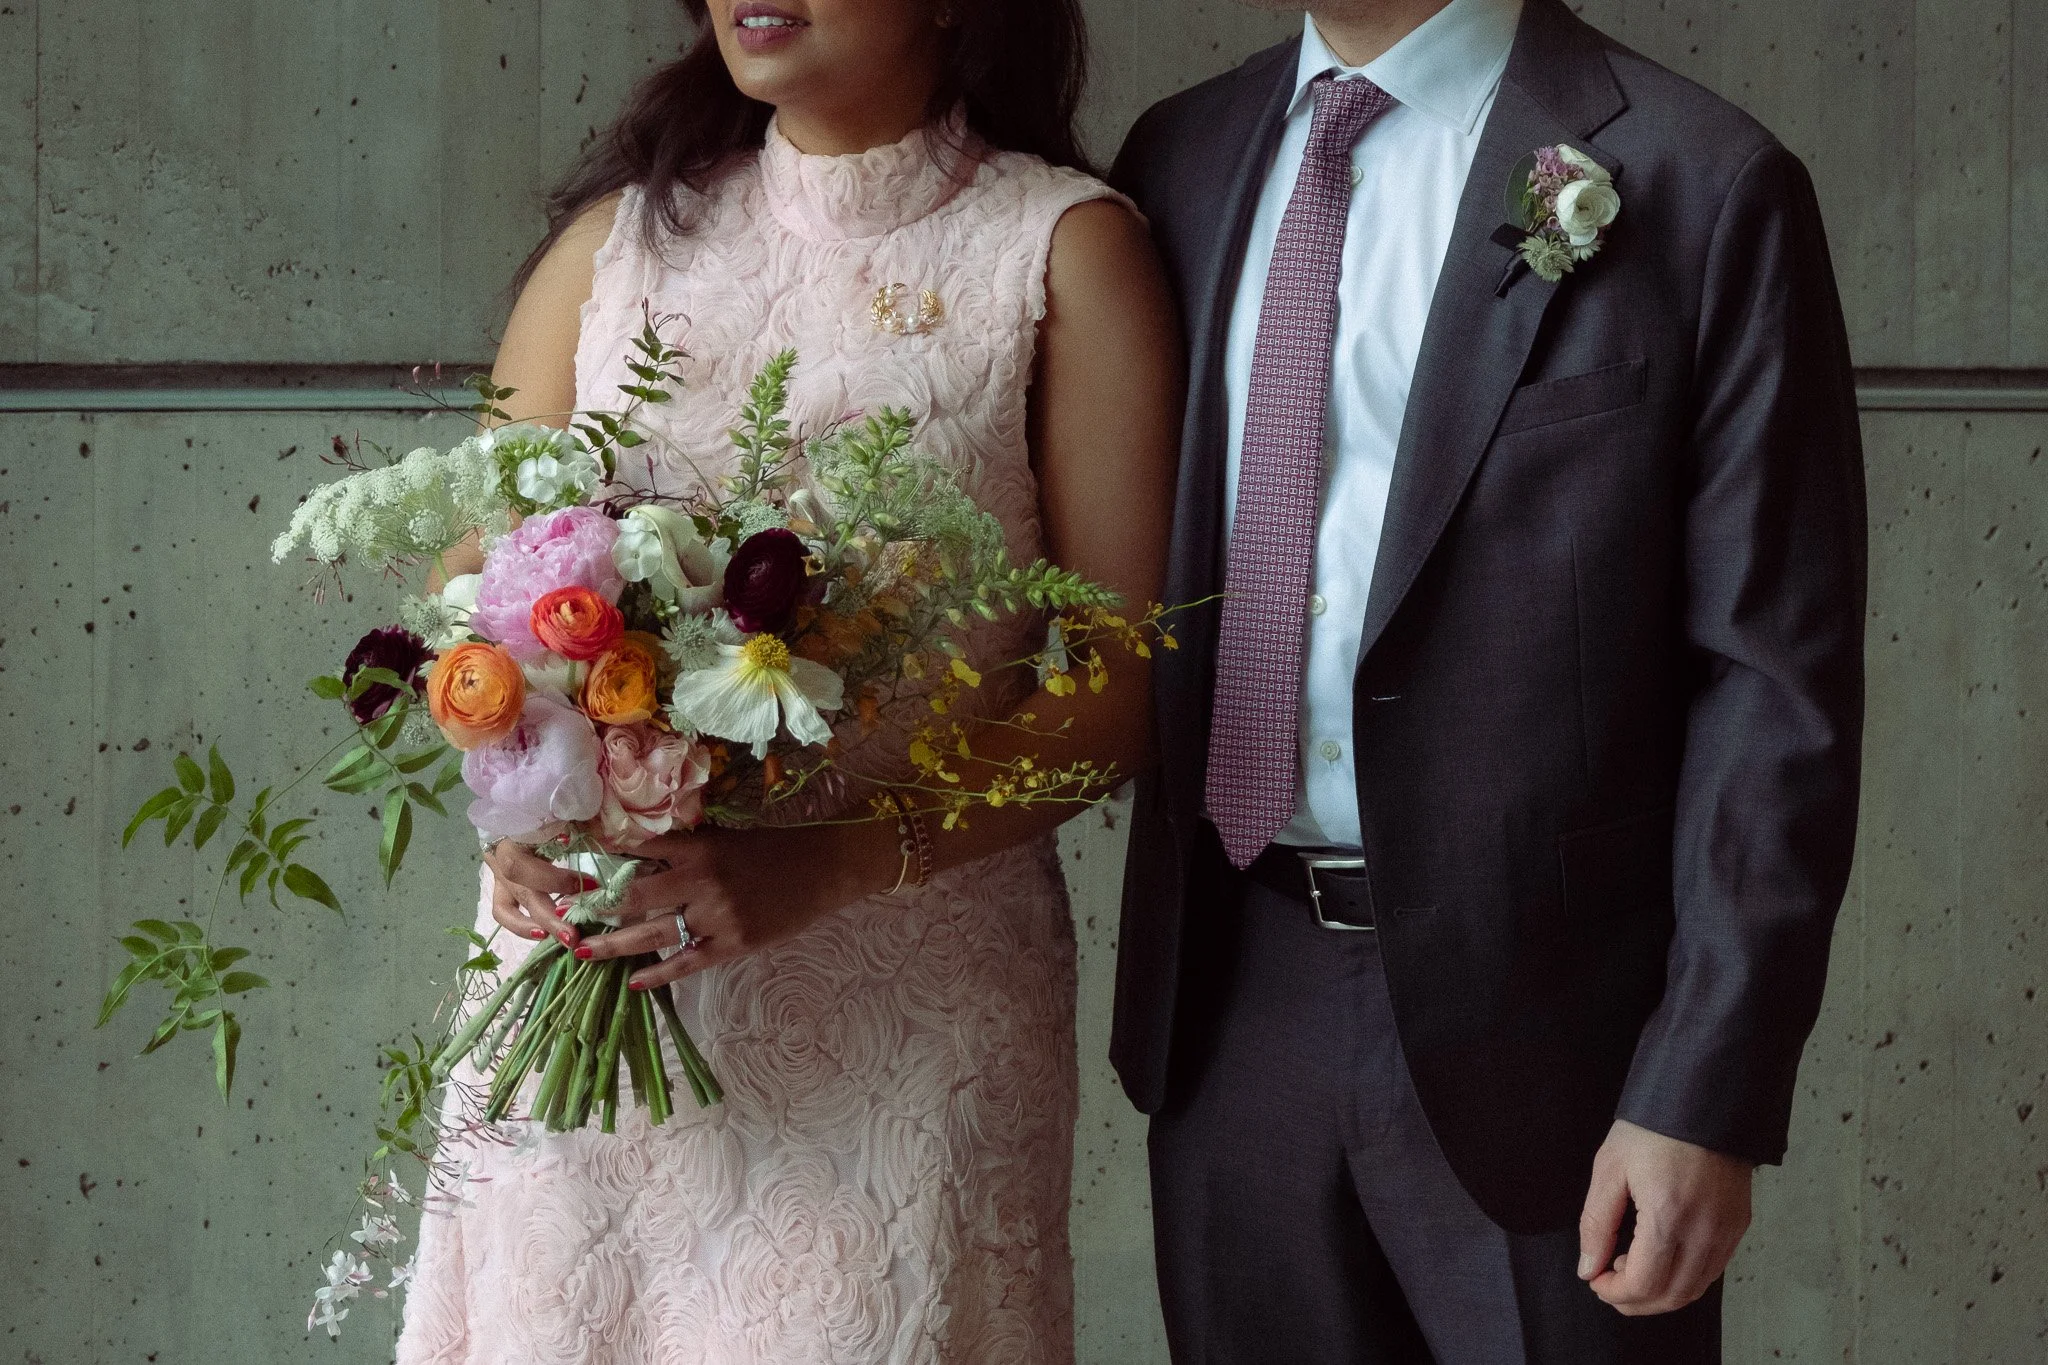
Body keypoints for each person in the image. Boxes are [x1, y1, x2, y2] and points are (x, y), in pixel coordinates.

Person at [394, 1, 1180, 1360]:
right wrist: (515, 804)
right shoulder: (614, 247)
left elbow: (1122, 690)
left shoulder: (1064, 250)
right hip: (594, 973)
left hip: (904, 1002)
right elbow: (469, 597)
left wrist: (827, 864)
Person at [1109, 0, 1865, 1359]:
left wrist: (1703, 1087)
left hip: (1556, 1040)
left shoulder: (1702, 176)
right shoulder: (1180, 154)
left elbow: (1773, 686)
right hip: (1235, 1004)